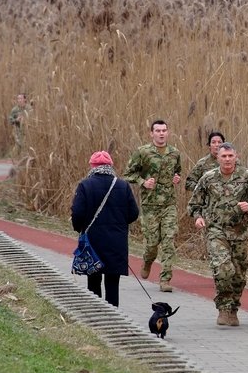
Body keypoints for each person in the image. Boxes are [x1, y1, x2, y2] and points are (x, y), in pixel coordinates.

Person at [187, 143, 248, 326]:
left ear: (236, 157)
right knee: (223, 269)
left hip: (239, 233)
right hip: (216, 231)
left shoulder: (247, 177)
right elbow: (194, 204)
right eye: (223, 156)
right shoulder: (208, 178)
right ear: (217, 158)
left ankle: (234, 308)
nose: (227, 159)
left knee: (238, 275)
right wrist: (197, 217)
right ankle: (223, 308)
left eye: (230, 156)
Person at [71, 151, 139, 307]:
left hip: (93, 241)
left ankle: (96, 314)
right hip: (117, 242)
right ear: (110, 166)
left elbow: (78, 212)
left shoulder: (85, 185)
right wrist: (120, 224)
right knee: (112, 282)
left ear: (92, 166)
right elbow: (134, 213)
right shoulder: (123, 185)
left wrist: (79, 229)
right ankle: (114, 314)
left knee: (93, 281)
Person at [123, 119, 182, 293]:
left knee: (169, 241)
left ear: (168, 132)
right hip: (150, 206)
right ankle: (148, 261)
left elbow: (177, 170)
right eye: (158, 130)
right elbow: (127, 175)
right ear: (152, 133)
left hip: (169, 204)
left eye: (164, 130)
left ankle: (165, 279)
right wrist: (143, 181)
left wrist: (176, 178)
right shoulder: (143, 152)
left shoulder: (174, 153)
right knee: (152, 244)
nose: (161, 133)